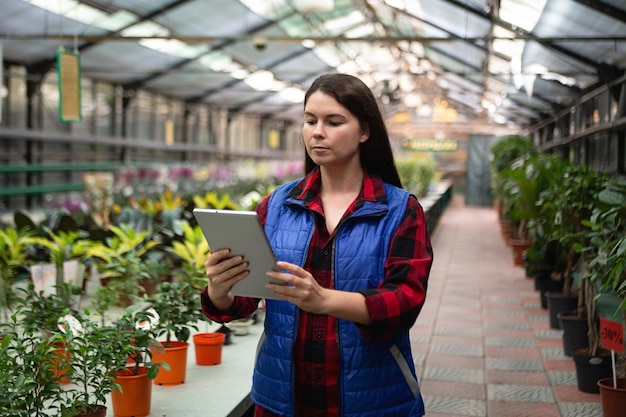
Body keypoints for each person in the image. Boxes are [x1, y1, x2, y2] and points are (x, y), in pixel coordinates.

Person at [201, 73, 433, 417]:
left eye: (333, 121)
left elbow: (404, 301)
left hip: (371, 400)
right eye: (310, 120)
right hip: (281, 397)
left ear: (365, 131)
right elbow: (245, 299)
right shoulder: (276, 205)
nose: (317, 131)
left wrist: (323, 300)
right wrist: (220, 289)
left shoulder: (399, 210)